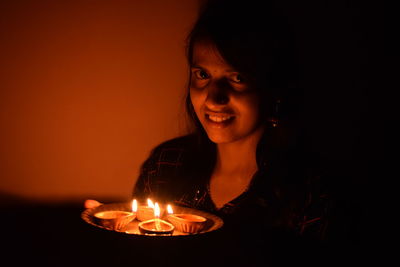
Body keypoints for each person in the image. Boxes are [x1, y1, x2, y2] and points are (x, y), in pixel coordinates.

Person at [86, 0, 360, 262]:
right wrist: (110, 241)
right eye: (202, 75)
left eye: (237, 78)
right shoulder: (165, 165)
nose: (214, 98)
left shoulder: (310, 194)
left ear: (273, 89)